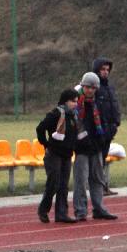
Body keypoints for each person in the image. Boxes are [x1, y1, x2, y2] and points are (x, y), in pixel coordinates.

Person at [72, 72, 117, 221]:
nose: (90, 90)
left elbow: (104, 120)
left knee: (98, 178)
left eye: (93, 88)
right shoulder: (75, 102)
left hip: (96, 145)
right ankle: (80, 210)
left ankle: (99, 208)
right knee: (81, 180)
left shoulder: (98, 102)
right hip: (81, 146)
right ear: (82, 86)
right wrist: (80, 140)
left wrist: (105, 135)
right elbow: (74, 124)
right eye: (87, 87)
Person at [36, 89, 80, 224]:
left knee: (63, 185)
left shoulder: (74, 116)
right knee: (53, 184)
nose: (75, 104)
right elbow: (40, 128)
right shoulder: (56, 113)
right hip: (54, 154)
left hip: (67, 154)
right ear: (65, 101)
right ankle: (43, 210)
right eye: (73, 101)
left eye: (77, 101)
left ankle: (61, 213)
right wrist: (45, 143)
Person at [91, 57, 121, 197]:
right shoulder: (93, 88)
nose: (105, 72)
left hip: (109, 129)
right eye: (103, 69)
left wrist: (116, 123)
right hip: (98, 130)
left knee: (102, 159)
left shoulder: (110, 87)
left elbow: (115, 106)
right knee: (97, 160)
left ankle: (102, 187)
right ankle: (98, 188)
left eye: (107, 70)